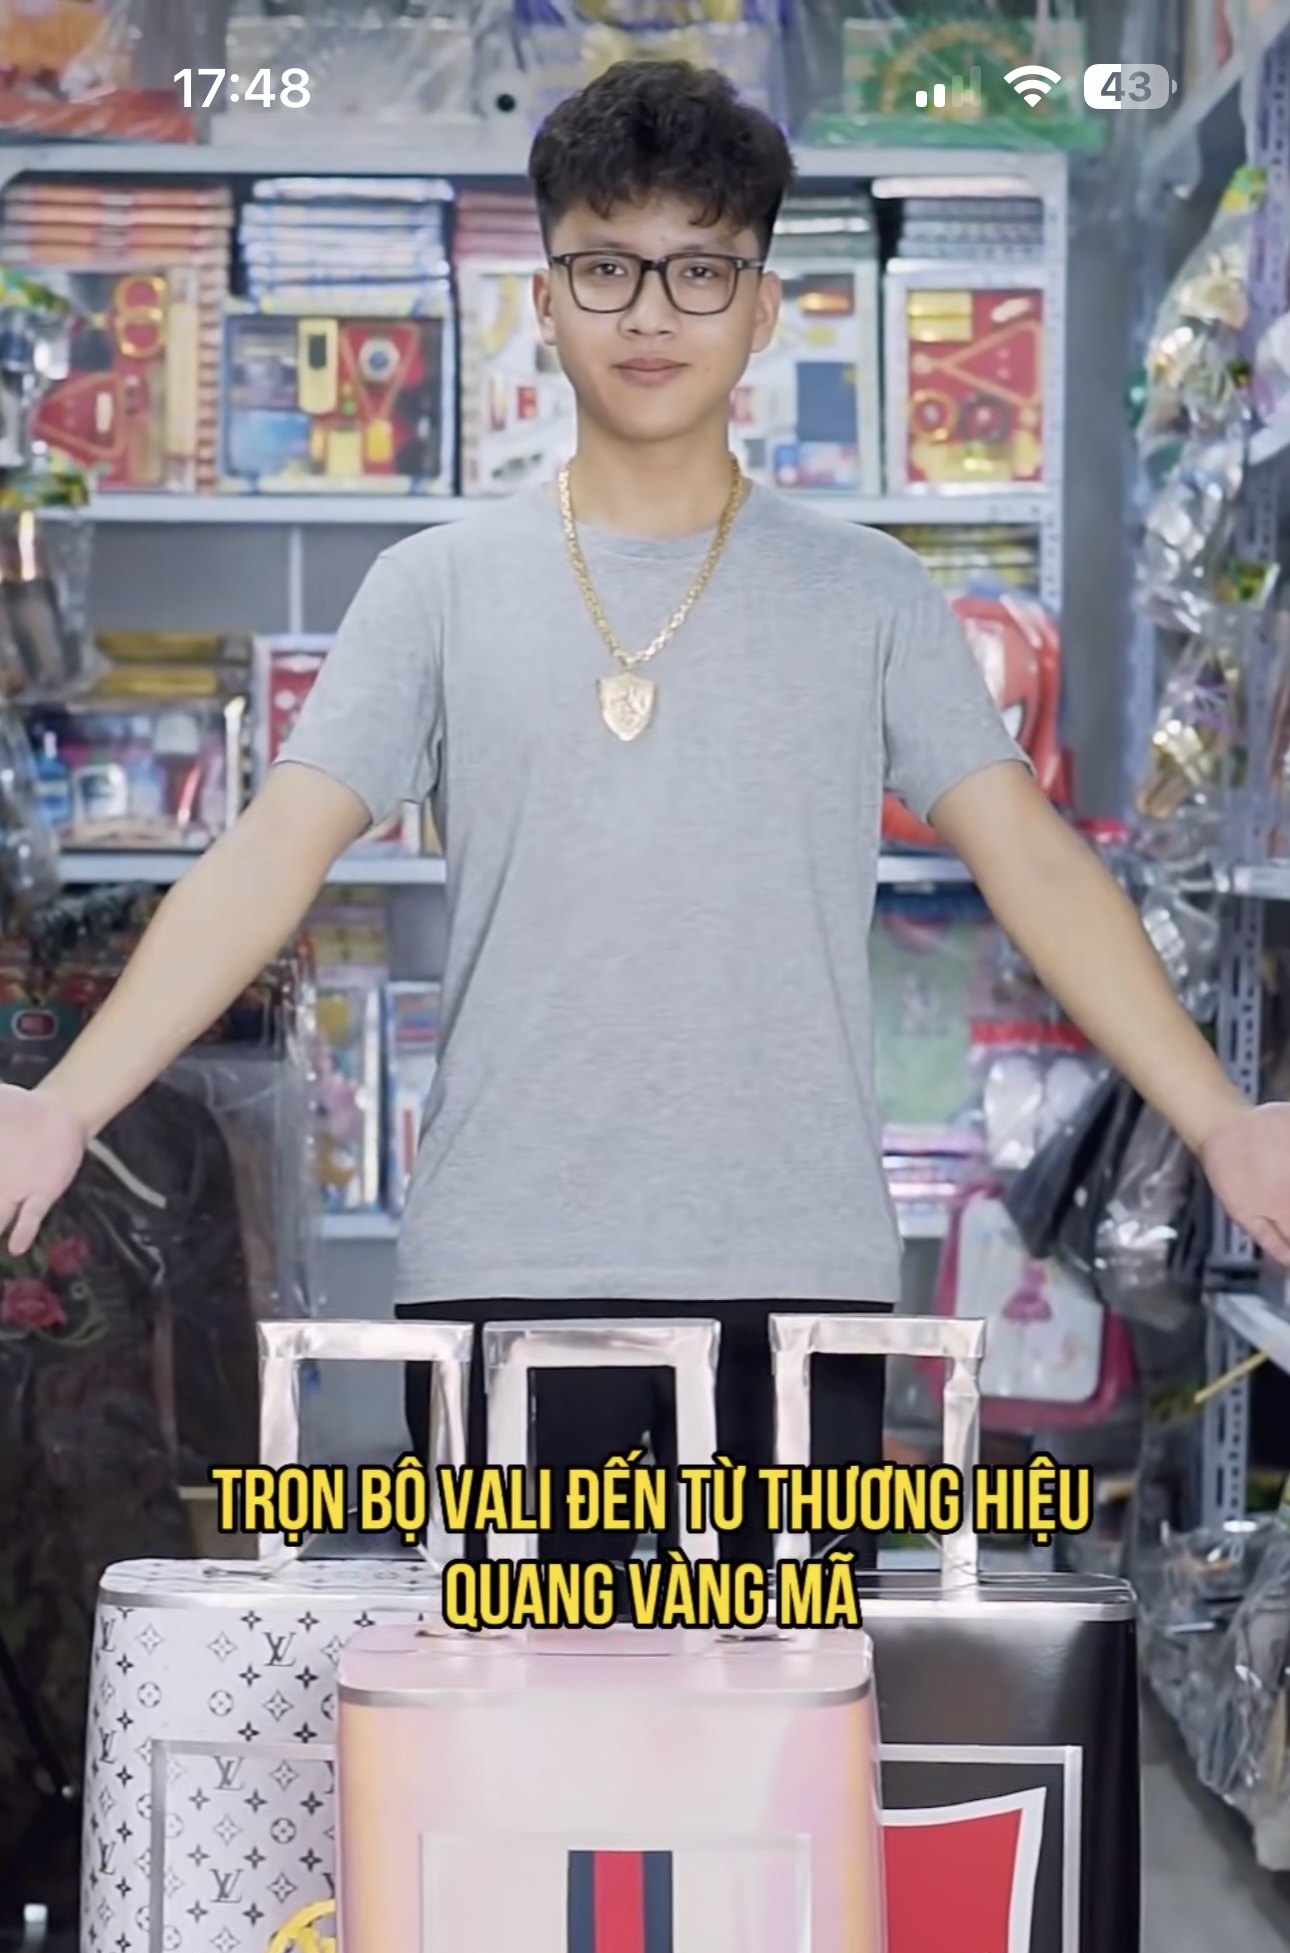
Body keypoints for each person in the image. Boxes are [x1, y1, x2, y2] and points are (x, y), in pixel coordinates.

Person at [1, 59, 1287, 1578]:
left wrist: (1217, 1121)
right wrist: (63, 1106)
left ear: (763, 307)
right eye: (606, 267)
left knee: (780, 1714)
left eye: (700, 269)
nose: (651, 312)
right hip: (502, 1273)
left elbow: (1033, 864)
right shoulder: (432, 591)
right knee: (509, 1711)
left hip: (793, 1283)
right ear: (544, 304)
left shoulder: (871, 594)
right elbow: (270, 855)